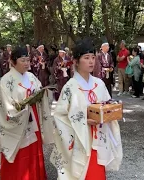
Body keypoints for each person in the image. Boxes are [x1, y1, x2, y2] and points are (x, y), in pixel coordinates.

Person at [51, 38, 122, 179]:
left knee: (96, 170)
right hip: (80, 138)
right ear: (76, 62)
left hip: (99, 135)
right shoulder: (70, 87)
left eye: (93, 58)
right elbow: (60, 116)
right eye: (86, 58)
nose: (91, 61)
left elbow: (107, 104)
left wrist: (110, 110)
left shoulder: (99, 84)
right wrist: (83, 120)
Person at [0, 47, 54, 179]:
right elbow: (4, 105)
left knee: (33, 151)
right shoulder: (6, 81)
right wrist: (22, 107)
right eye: (23, 60)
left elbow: (39, 91)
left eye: (28, 60)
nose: (27, 63)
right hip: (18, 120)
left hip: (33, 118)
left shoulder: (31, 77)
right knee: (20, 152)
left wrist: (43, 94)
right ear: (13, 62)